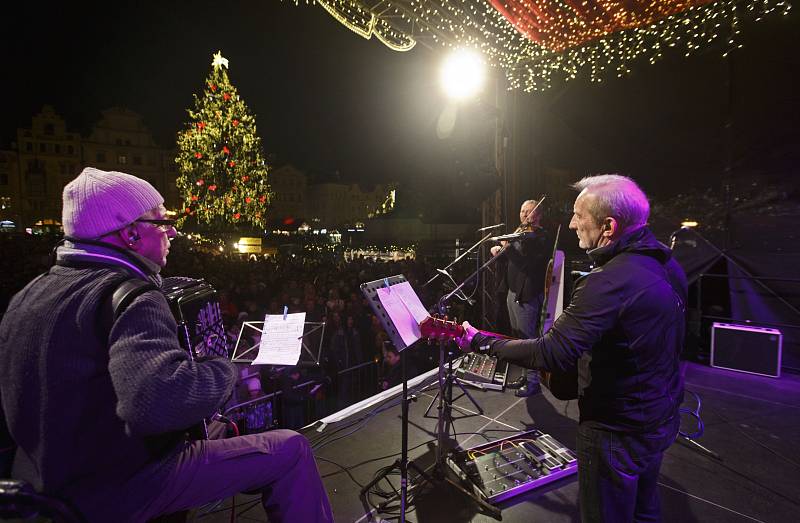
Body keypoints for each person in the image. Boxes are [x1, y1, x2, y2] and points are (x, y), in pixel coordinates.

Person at [0, 167, 333, 522]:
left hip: (44, 484)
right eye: (161, 222)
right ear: (130, 233)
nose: (172, 231)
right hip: (122, 485)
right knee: (291, 449)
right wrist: (225, 368)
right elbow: (154, 405)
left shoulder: (28, 295)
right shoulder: (131, 296)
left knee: (218, 429)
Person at [457, 175, 687, 522]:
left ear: (608, 226)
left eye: (580, 215)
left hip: (616, 429)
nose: (572, 223)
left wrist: (480, 341)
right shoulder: (668, 264)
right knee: (644, 510)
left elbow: (551, 353)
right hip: (661, 416)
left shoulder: (607, 282)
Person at [489, 199, 551, 397]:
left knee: (528, 340)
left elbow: (526, 264)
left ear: (538, 215)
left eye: (529, 211)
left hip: (527, 295)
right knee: (518, 337)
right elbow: (511, 260)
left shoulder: (541, 237)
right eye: (522, 211)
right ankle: (525, 375)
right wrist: (499, 251)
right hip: (512, 292)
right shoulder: (520, 233)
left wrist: (507, 248)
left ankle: (533, 382)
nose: (524, 215)